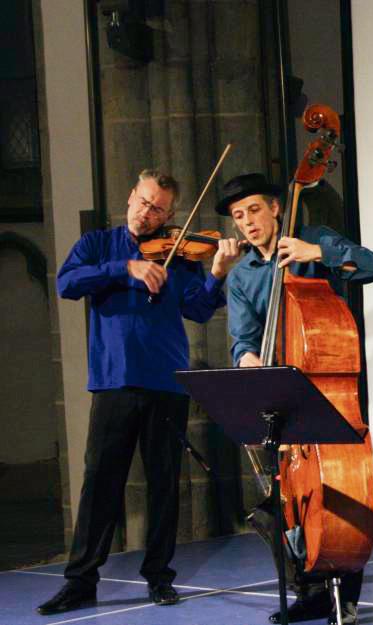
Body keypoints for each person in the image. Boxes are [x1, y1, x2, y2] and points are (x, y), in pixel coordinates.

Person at [37, 169, 242, 615]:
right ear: (131, 196)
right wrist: (124, 268)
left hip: (167, 383)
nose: (147, 214)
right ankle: (80, 582)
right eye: (143, 202)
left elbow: (199, 309)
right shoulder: (99, 246)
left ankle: (159, 577)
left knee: (164, 484)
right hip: (114, 381)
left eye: (158, 210)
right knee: (100, 484)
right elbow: (67, 283)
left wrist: (217, 274)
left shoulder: (181, 257)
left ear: (171, 214)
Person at [217, 173, 373, 624]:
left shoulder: (311, 241)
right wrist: (247, 360)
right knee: (278, 501)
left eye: (253, 210)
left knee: (337, 492)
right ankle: (308, 587)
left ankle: (343, 594)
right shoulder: (242, 277)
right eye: (238, 216)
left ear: (275, 207)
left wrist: (320, 254)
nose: (247, 222)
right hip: (278, 395)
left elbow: (372, 265)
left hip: (325, 388)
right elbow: (243, 341)